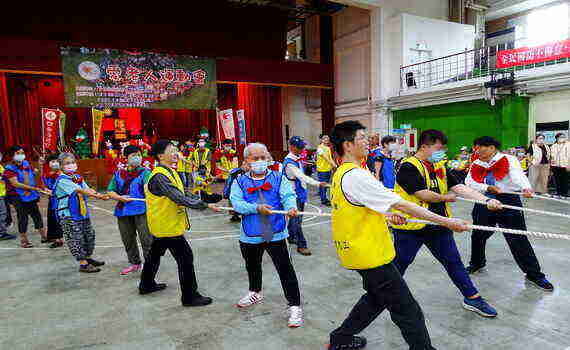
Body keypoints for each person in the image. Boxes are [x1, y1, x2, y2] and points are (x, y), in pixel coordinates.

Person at [327, 121, 472, 350]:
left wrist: (386, 216)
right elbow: (403, 204)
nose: (368, 141)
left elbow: (357, 209)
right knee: (408, 311)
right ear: (347, 145)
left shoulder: (343, 173)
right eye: (363, 138)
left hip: (360, 251)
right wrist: (447, 221)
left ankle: (340, 338)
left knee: (375, 299)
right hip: (370, 255)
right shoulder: (356, 175)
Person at [392, 129, 503, 318]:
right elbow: (422, 194)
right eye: (439, 148)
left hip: (439, 225)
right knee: (399, 264)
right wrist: (447, 198)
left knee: (453, 262)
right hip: (411, 227)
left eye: (443, 148)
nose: (442, 151)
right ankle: (381, 296)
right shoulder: (408, 166)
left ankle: (473, 298)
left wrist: (485, 200)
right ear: (425, 146)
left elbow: (460, 187)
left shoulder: (440, 166)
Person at [227, 142, 304, 328]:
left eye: (263, 157)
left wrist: (290, 207)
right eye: (256, 158)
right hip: (250, 234)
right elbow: (236, 203)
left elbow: (287, 195)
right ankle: (255, 291)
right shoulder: (239, 181)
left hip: (275, 232)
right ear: (247, 160)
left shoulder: (279, 178)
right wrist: (256, 208)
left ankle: (294, 305)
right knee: (252, 265)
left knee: (285, 269)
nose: (261, 161)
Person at [465, 136, 554, 291]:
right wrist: (487, 188)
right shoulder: (476, 163)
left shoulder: (509, 159)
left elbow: (517, 175)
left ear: (492, 147)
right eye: (476, 148)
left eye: (480, 147)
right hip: (484, 199)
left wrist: (526, 187)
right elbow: (469, 182)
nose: (477, 151)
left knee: (518, 238)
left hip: (508, 200)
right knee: (478, 234)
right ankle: (476, 263)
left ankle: (534, 274)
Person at [139, 140, 213, 307]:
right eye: (171, 151)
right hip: (167, 226)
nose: (176, 154)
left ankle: (146, 284)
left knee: (154, 255)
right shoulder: (159, 176)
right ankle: (190, 296)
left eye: (176, 151)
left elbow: (183, 193)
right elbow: (177, 197)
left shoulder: (170, 172)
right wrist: (203, 205)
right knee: (186, 258)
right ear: (160, 156)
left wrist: (205, 199)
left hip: (164, 224)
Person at [54, 152, 109, 273]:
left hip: (81, 211)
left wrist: (99, 194)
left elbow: (87, 188)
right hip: (68, 215)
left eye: (72, 162)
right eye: (67, 163)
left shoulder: (77, 177)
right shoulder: (62, 180)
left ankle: (88, 258)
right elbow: (80, 190)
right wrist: (100, 197)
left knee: (89, 235)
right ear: (61, 166)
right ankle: (83, 264)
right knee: (75, 238)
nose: (71, 165)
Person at [107, 145, 153, 276]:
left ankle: (150, 265)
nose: (137, 158)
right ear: (125, 158)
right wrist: (120, 198)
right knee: (128, 239)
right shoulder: (118, 174)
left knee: (146, 239)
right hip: (123, 211)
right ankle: (135, 263)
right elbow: (110, 191)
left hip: (141, 210)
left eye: (139, 155)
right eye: (133, 155)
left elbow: (147, 187)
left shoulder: (145, 172)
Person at [284, 136, 328, 256]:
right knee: (297, 219)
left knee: (296, 218)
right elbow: (301, 176)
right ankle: (301, 245)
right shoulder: (289, 162)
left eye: (303, 147)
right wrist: (318, 183)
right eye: (299, 147)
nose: (302, 149)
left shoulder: (297, 158)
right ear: (292, 147)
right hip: (293, 194)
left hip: (300, 191)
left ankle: (291, 236)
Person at [4, 146, 48, 248]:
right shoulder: (9, 169)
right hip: (17, 197)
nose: (21, 155)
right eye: (18, 153)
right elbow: (16, 184)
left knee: (36, 214)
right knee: (22, 217)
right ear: (12, 155)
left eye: (22, 152)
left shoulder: (26, 164)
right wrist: (33, 188)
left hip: (30, 195)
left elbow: (36, 175)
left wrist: (40, 166)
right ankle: (24, 240)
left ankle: (44, 236)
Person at [42, 153, 64, 248]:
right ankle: (55, 238)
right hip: (52, 200)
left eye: (57, 161)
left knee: (60, 219)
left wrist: (53, 191)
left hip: (61, 200)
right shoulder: (47, 175)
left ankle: (60, 239)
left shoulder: (63, 174)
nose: (55, 163)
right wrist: (46, 190)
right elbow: (45, 185)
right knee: (52, 219)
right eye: (52, 161)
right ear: (49, 163)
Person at [316, 134, 337, 206]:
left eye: (328, 139)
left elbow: (330, 158)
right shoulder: (319, 148)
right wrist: (333, 165)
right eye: (325, 139)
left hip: (328, 169)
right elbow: (326, 158)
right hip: (322, 170)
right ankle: (323, 200)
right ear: (322, 140)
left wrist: (334, 165)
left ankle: (324, 198)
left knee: (326, 185)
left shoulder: (328, 148)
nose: (327, 140)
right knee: (323, 185)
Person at [0, 150, 15, 241]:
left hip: (3, 193)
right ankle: (1, 233)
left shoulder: (1, 166)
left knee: (4, 212)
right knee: (2, 213)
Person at [550, 132, 570, 198]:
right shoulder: (553, 146)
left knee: (565, 179)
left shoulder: (568, 144)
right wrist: (552, 164)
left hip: (565, 165)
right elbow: (552, 156)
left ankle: (564, 193)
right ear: (557, 138)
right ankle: (558, 192)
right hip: (555, 165)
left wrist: (568, 165)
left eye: (564, 137)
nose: (563, 138)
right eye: (561, 137)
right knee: (557, 180)